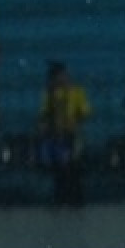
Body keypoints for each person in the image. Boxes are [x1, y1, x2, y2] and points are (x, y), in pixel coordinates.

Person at [36, 62, 91, 207]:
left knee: (74, 166)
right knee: (59, 168)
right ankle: (60, 198)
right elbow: (43, 114)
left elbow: (86, 111)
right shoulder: (49, 94)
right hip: (56, 134)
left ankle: (76, 199)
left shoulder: (77, 92)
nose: (64, 78)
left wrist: (76, 120)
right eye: (60, 75)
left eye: (65, 74)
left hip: (72, 134)